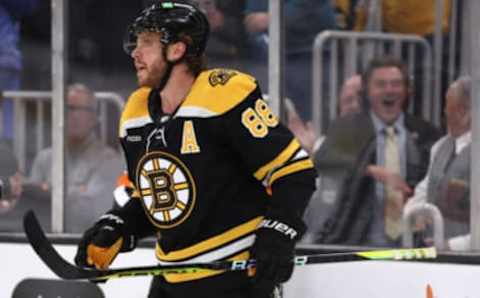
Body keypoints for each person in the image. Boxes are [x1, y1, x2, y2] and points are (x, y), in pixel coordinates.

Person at [73, 1, 316, 298]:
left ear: (177, 50)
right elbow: (152, 197)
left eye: (147, 43)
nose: (135, 53)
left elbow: (295, 172)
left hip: (234, 278)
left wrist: (278, 232)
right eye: (136, 44)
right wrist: (119, 226)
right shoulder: (135, 114)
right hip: (170, 280)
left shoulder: (224, 94)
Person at [308, 56, 441, 247]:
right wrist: (370, 170)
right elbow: (323, 159)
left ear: (406, 90)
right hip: (357, 241)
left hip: (412, 245)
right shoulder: (348, 127)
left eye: (396, 84)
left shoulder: (425, 132)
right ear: (367, 92)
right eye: (381, 84)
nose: (389, 90)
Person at [28, 83, 123, 232]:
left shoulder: (109, 160)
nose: (75, 115)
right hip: (46, 237)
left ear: (94, 117)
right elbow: (32, 206)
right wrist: (77, 191)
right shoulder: (45, 157)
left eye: (82, 109)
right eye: (69, 108)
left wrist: (49, 191)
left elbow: (91, 210)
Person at [404, 76, 472, 251]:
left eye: (447, 105)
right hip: (433, 256)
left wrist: (451, 246)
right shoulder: (440, 146)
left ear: (463, 111)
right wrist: (412, 213)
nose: (444, 112)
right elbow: (425, 189)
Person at [243, 0, 337, 121]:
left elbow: (299, 12)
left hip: (309, 56)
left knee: (304, 119)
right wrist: (265, 20)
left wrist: (269, 18)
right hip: (267, 59)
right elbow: (250, 21)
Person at [0, 0, 38, 139]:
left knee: (7, 124)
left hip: (5, 58)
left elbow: (27, 7)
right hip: (7, 55)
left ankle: (7, 149)